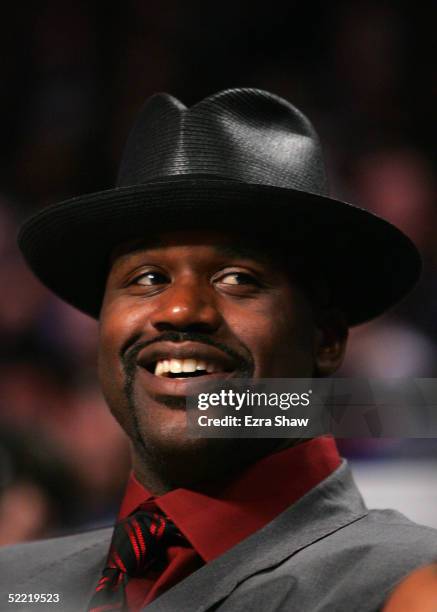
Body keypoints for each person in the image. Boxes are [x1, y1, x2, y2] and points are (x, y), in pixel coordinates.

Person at [1, 88, 436, 611]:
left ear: (326, 338)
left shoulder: (407, 585)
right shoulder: (18, 586)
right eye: (148, 277)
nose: (182, 310)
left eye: (237, 278)